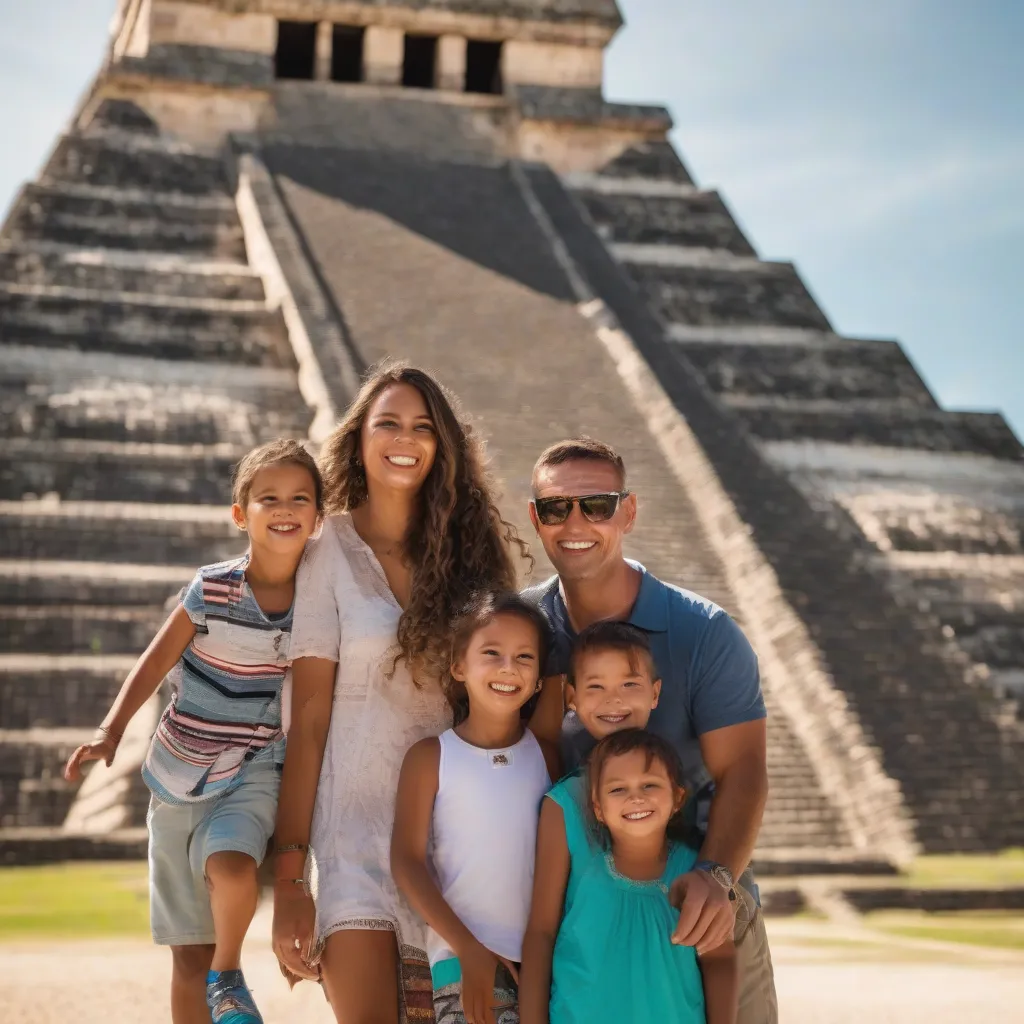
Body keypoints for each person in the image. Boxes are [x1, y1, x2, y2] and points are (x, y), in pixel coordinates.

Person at [271, 363, 529, 1024]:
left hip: (453, 836)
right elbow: (308, 716)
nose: (404, 438)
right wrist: (293, 876)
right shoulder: (326, 547)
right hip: (351, 832)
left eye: (422, 426)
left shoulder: (474, 560)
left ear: (443, 444)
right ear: (359, 438)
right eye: (387, 422)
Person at [63, 438, 323, 1024]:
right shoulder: (212, 588)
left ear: (318, 516)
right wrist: (110, 730)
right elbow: (154, 663)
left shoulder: (317, 600)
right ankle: (212, 972)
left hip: (253, 770)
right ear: (241, 514)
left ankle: (228, 973)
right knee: (188, 956)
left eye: (300, 498)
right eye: (268, 498)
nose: (285, 509)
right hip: (177, 772)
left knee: (232, 869)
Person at [523, 437, 776, 1024]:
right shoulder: (520, 634)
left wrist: (716, 878)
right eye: (557, 508)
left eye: (598, 505)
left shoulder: (705, 632)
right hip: (579, 920)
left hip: (702, 906)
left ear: (629, 512)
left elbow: (744, 771)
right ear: (536, 519)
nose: (576, 522)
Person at [392, 591, 560, 1024]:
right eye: (492, 653)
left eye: (525, 657)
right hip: (460, 958)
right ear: (459, 666)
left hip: (540, 964)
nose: (509, 667)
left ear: (540, 679)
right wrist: (468, 949)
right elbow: (407, 862)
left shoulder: (548, 756)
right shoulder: (430, 757)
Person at [525, 728, 736, 1024]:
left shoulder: (695, 875)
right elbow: (540, 935)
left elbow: (720, 960)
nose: (635, 798)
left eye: (649, 785)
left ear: (677, 798)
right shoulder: (583, 870)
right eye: (617, 789)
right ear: (598, 809)